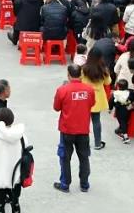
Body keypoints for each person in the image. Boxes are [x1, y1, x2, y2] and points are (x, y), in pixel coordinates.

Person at [53, 64, 94, 193]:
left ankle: (65, 184)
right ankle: (84, 184)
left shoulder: (62, 90)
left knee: (65, 157)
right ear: (81, 74)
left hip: (67, 130)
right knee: (84, 157)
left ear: (68, 75)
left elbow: (56, 107)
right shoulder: (89, 90)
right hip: (83, 129)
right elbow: (92, 104)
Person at [79, 49, 111, 150]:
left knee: (84, 121)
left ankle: (83, 144)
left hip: (85, 97)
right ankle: (97, 143)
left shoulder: (84, 68)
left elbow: (79, 80)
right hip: (98, 98)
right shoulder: (103, 69)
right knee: (96, 121)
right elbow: (108, 82)